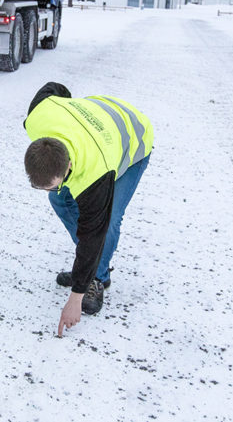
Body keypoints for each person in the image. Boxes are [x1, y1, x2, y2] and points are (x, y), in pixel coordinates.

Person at [23, 82, 153, 336]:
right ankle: (91, 266)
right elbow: (53, 88)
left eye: (52, 184)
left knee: (109, 218)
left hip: (133, 138)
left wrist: (75, 298)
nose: (48, 189)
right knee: (59, 199)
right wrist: (73, 107)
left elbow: (93, 232)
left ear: (69, 165)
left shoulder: (97, 170)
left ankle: (97, 277)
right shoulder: (36, 119)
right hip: (97, 116)